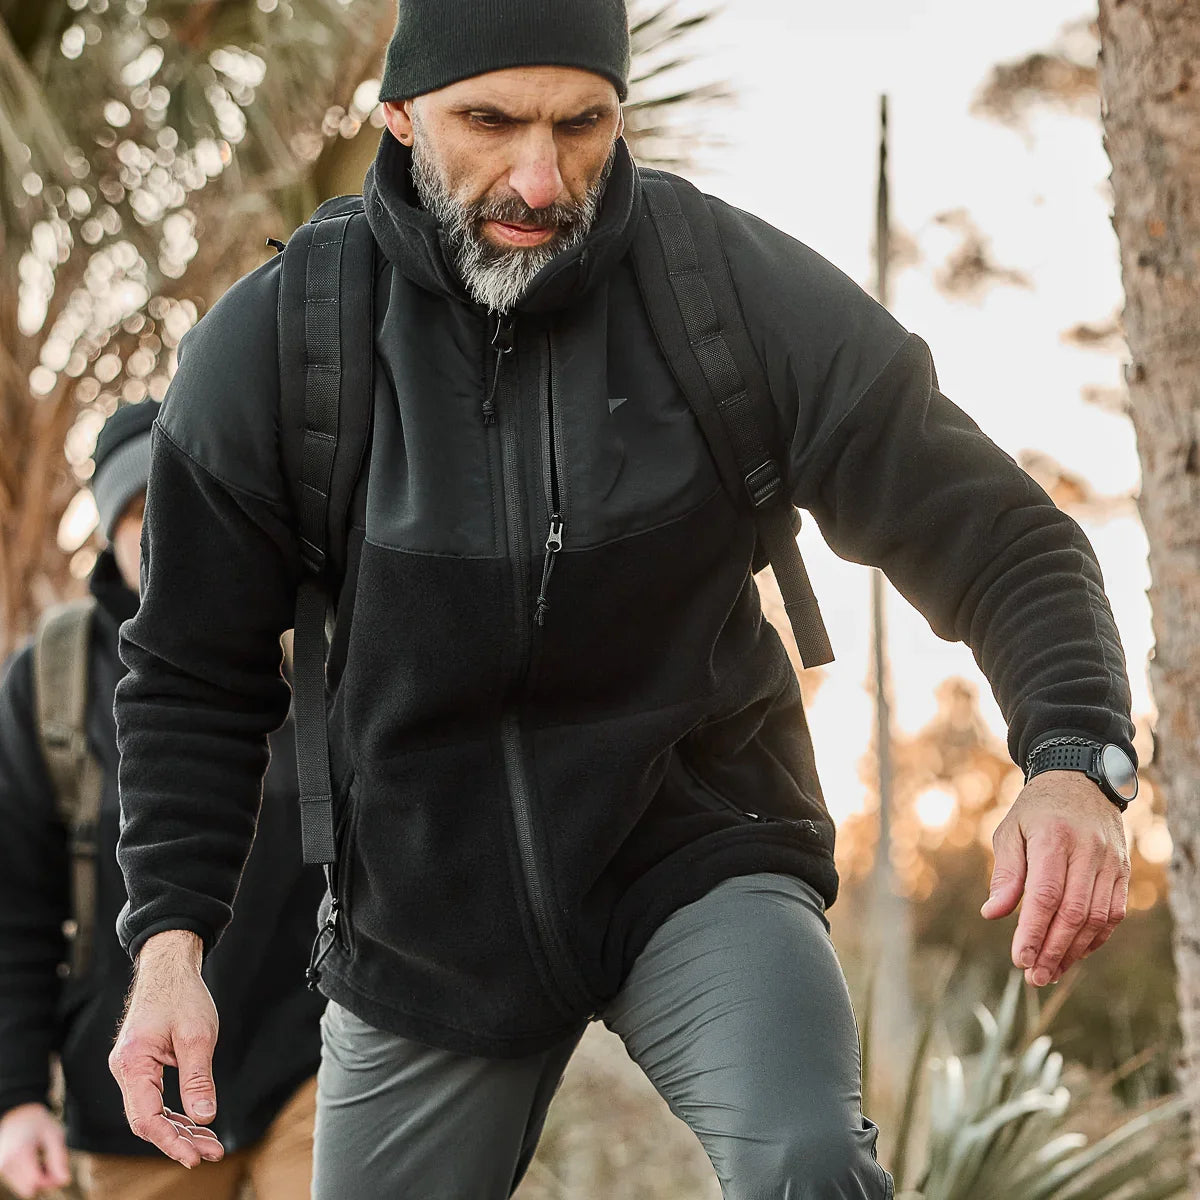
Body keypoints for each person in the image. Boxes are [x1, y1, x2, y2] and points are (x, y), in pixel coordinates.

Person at [108, 3, 1136, 1197]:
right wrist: (168, 945)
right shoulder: (282, 346)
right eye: (489, 121)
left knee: (806, 1161)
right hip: (425, 918)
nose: (540, 178)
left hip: (694, 854)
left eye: (581, 124)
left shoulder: (725, 291)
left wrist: (1070, 756)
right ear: (398, 115)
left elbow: (998, 531)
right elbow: (190, 673)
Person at [0, 402, 326, 1200]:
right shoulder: (53, 682)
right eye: (142, 509)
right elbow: (13, 906)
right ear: (109, 533)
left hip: (317, 1069)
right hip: (136, 1104)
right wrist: (14, 1099)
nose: (168, 531)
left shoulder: (319, 647)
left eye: (190, 500)